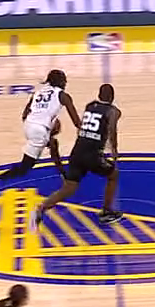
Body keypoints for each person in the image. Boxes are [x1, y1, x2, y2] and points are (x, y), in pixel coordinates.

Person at [31, 84, 123, 229]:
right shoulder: (114, 111)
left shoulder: (90, 106)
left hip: (77, 151)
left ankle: (41, 208)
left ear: (99, 95)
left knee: (69, 188)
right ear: (112, 97)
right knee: (113, 175)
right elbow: (112, 130)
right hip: (93, 154)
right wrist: (114, 150)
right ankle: (107, 212)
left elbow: (83, 127)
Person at [0, 69, 81, 192]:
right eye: (64, 81)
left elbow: (24, 114)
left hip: (29, 125)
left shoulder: (37, 93)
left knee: (53, 144)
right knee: (26, 167)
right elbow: (76, 122)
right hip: (39, 130)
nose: (65, 83)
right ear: (61, 82)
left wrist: (41, 125)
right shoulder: (63, 96)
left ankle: (63, 175)